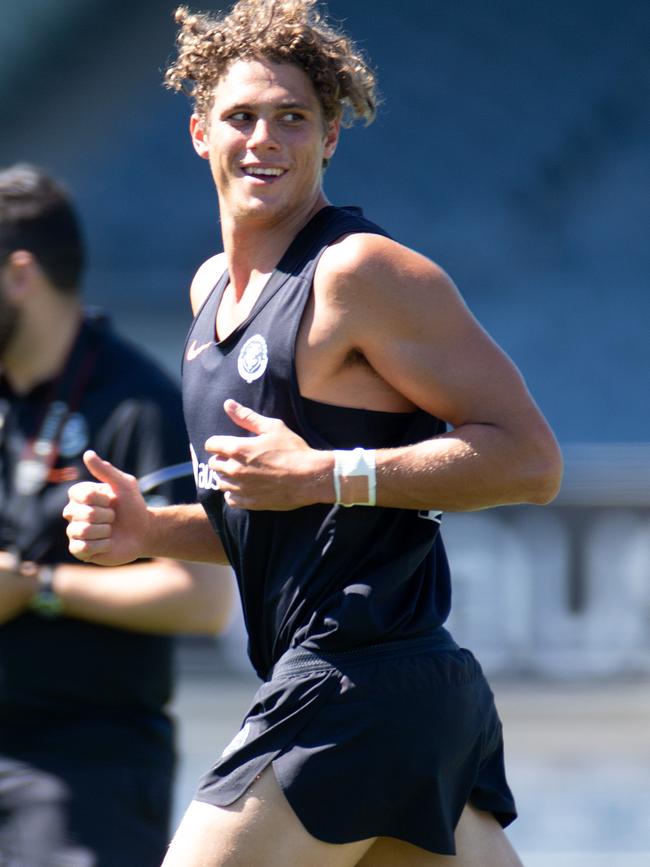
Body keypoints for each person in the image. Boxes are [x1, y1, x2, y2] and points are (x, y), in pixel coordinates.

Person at [64, 2, 564, 865]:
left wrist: (328, 471)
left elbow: (531, 460)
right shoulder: (209, 291)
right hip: (400, 701)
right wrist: (150, 531)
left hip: (358, 682)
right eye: (242, 117)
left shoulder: (361, 272)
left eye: (293, 118)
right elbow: (277, 515)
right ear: (197, 134)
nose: (265, 138)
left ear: (330, 136)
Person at [0, 163, 233, 867]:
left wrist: (40, 587)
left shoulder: (137, 402)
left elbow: (204, 598)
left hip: (85, 766)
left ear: (19, 275)